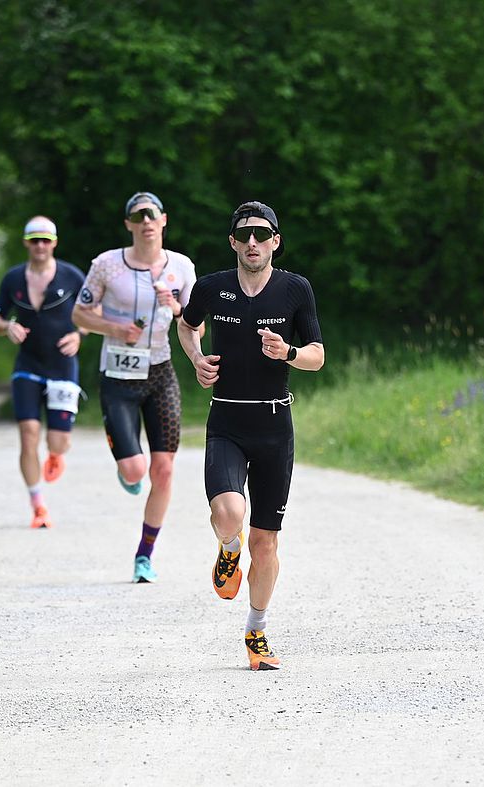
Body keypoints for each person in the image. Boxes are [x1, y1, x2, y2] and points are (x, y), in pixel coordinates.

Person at [178, 200, 324, 670]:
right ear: (234, 243)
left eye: (262, 234)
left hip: (274, 426)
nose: (253, 242)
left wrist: (289, 352)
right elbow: (186, 325)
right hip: (227, 420)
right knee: (229, 512)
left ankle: (256, 632)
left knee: (265, 545)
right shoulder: (212, 288)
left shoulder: (295, 290)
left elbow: (318, 356)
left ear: (276, 241)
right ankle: (226, 549)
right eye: (245, 235)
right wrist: (197, 359)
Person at [73, 191, 196, 583]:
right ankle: (127, 469)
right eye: (137, 215)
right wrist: (113, 328)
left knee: (163, 472)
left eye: (152, 214)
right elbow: (79, 312)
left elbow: (195, 323)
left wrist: (177, 307)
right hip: (119, 375)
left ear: (164, 221)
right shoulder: (107, 265)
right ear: (128, 224)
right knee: (135, 469)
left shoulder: (181, 267)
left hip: (160, 372)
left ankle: (144, 555)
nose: (145, 221)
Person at [0, 216, 86, 529]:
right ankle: (38, 506)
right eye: (34, 240)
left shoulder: (72, 276)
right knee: (28, 434)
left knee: (58, 442)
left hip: (61, 367)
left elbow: (93, 313)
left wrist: (79, 334)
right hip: (27, 367)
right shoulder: (13, 279)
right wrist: (8, 327)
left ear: (54, 243)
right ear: (26, 243)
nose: (40, 246)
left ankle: (56, 454)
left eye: (46, 240)